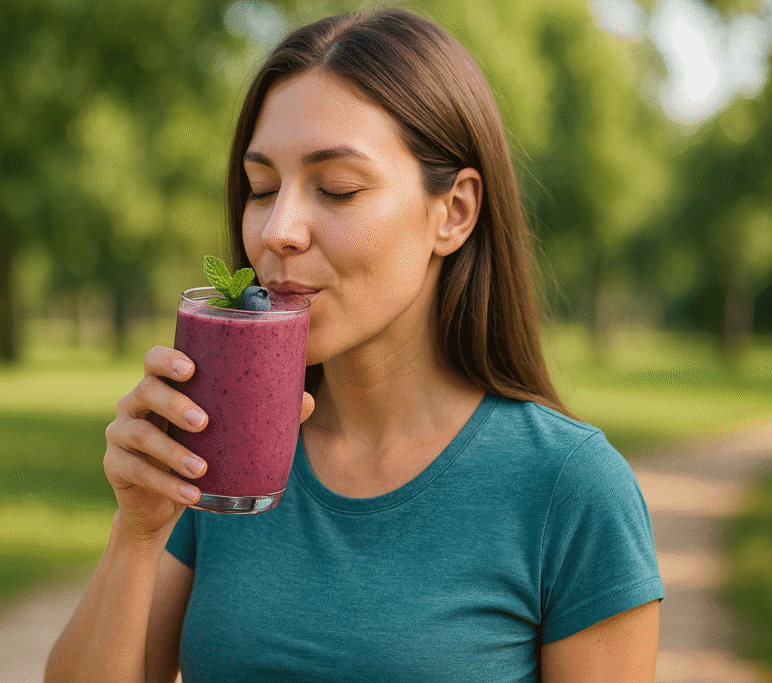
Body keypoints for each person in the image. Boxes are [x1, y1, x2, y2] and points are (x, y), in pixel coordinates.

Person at [45, 7, 664, 682]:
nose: (278, 229)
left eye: (337, 189)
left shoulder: (570, 489)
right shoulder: (218, 460)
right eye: (261, 188)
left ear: (452, 211)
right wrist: (136, 532)